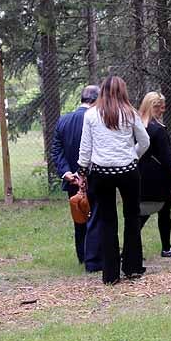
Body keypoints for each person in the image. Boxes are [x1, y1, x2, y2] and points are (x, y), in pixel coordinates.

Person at [77, 75, 150, 285]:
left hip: (101, 173)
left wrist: (83, 172)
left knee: (107, 221)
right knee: (132, 216)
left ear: (102, 92)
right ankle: (133, 266)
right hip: (128, 171)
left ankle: (110, 274)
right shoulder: (130, 114)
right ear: (123, 92)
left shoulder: (91, 115)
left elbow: (86, 148)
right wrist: (132, 155)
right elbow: (144, 141)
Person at [52, 85, 99, 267]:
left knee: (79, 217)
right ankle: (93, 256)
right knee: (96, 215)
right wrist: (85, 174)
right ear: (96, 100)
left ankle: (82, 255)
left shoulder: (64, 120)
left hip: (73, 179)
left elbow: (57, 151)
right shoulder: (96, 120)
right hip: (93, 176)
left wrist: (67, 174)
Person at [136, 91, 171, 258]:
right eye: (160, 108)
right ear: (153, 107)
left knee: (140, 213)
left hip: (139, 176)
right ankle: (166, 247)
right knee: (162, 211)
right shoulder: (159, 130)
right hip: (158, 179)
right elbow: (166, 159)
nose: (162, 110)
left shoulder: (138, 127)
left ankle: (130, 248)